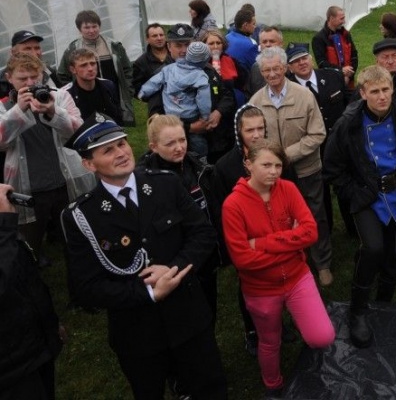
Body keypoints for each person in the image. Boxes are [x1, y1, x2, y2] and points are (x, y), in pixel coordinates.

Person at [61, 113, 227, 399]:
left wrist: (172, 269)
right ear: (89, 164)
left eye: (123, 143)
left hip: (189, 318)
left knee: (209, 388)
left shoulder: (165, 184)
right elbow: (86, 288)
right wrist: (148, 294)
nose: (122, 152)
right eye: (108, 150)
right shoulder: (80, 217)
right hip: (137, 333)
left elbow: (203, 235)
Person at [323, 65, 396, 348]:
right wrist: (353, 194)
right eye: (375, 92)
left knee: (395, 250)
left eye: (386, 90)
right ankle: (358, 309)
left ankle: (383, 302)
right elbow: (332, 168)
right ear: (362, 93)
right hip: (367, 196)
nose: (382, 97)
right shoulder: (348, 124)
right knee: (373, 249)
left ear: (393, 89)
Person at [222, 139, 335, 398]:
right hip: (261, 289)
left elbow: (311, 232)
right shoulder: (233, 205)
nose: (273, 171)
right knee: (270, 341)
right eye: (266, 165)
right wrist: (292, 245)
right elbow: (243, 260)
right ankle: (272, 385)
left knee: (323, 336)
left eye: (278, 165)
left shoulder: (289, 189)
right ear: (248, 164)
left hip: (297, 278)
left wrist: (261, 244)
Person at [209, 104, 302, 357]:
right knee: (250, 286)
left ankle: (280, 323)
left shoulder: (278, 157)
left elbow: (295, 193)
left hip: (280, 234)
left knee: (283, 279)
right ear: (239, 132)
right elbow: (220, 211)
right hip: (247, 241)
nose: (257, 134)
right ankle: (252, 331)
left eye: (261, 128)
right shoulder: (225, 167)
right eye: (250, 129)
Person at [249, 47, 333, 287]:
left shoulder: (304, 96)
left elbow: (318, 133)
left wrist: (285, 155)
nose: (272, 74)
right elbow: (252, 138)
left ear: (285, 68)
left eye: (276, 68)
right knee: (278, 219)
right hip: (272, 175)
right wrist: (270, 163)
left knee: (314, 215)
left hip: (306, 170)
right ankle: (290, 261)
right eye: (267, 70)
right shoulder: (256, 101)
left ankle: (323, 263)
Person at [0, 54, 92, 265]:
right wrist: (18, 110)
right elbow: (1, 140)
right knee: (27, 245)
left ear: (42, 75)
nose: (30, 84)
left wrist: (52, 111)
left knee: (75, 242)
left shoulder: (59, 97)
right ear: (9, 78)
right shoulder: (3, 107)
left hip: (65, 183)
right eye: (23, 78)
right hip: (27, 188)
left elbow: (79, 131)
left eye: (35, 77)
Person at [137, 114, 219, 317]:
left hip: (204, 255)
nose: (179, 147)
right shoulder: (144, 180)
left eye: (182, 140)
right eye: (170, 143)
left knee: (208, 309)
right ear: (153, 147)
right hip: (173, 260)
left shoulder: (198, 166)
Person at [0, 182, 63, 400]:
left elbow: (24, 276)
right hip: (11, 370)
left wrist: (48, 322)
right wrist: (4, 226)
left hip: (32, 345)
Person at [285, 42, 351, 235]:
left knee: (344, 186)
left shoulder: (333, 76)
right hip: (312, 149)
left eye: (304, 58)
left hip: (339, 145)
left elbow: (349, 104)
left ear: (311, 58)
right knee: (319, 193)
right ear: (289, 67)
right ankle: (326, 229)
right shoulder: (289, 88)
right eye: (295, 61)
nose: (302, 63)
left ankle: (352, 226)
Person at [57, 10, 134, 126]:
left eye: (95, 26)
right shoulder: (72, 49)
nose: (92, 31)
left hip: (112, 94)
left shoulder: (114, 46)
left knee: (115, 124)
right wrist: (74, 91)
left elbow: (127, 69)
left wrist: (127, 90)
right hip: (85, 97)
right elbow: (62, 73)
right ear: (79, 29)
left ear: (99, 26)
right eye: (87, 27)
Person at [139, 41, 212, 158]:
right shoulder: (201, 76)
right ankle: (201, 160)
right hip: (190, 116)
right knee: (198, 140)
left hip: (171, 115)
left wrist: (143, 92)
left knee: (173, 141)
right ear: (204, 60)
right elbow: (204, 100)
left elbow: (154, 82)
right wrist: (205, 116)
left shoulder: (169, 69)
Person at [60, 48, 123, 125]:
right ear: (73, 69)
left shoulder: (108, 85)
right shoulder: (65, 94)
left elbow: (118, 117)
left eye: (93, 64)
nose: (90, 69)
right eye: (83, 65)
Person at [0, 30, 61, 98]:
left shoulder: (49, 71)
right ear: (13, 52)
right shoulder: (2, 83)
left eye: (37, 48)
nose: (34, 53)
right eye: (27, 49)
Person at [312, 6, 358, 90]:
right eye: (341, 19)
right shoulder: (319, 38)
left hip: (349, 82)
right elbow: (322, 63)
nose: (344, 21)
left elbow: (354, 56)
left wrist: (349, 75)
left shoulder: (346, 34)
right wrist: (341, 72)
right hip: (331, 83)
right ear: (332, 18)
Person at [203, 29, 244, 105]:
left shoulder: (231, 60)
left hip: (230, 106)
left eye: (218, 43)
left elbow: (242, 84)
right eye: (211, 43)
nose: (215, 46)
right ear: (204, 45)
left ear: (223, 44)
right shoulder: (200, 63)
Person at [131, 23, 171, 97]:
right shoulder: (141, 62)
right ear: (147, 39)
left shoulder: (175, 53)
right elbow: (137, 89)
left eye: (161, 35)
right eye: (154, 36)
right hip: (157, 105)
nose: (159, 38)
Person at [244, 26, 284, 98]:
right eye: (264, 42)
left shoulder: (291, 65)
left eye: (272, 41)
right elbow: (249, 95)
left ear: (281, 44)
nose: (268, 45)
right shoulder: (255, 68)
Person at [225, 8, 259, 74]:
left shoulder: (226, 37)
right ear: (245, 25)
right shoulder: (251, 44)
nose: (255, 27)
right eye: (253, 24)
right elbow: (257, 68)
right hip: (242, 80)